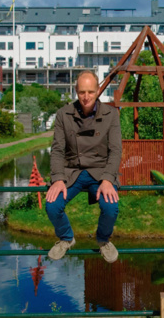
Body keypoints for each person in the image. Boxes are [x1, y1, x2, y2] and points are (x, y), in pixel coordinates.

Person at [45, 70, 122, 263]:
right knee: (52, 205)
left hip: (100, 171)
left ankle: (103, 239)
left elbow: (115, 150)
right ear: (75, 91)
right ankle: (66, 238)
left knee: (111, 207)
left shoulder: (111, 114)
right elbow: (57, 150)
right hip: (73, 171)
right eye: (81, 92)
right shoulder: (64, 114)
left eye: (90, 92)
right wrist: (57, 179)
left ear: (98, 91)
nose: (86, 97)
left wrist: (107, 179)